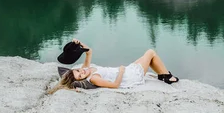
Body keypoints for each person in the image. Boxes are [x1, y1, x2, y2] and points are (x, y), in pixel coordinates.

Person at [48, 39, 179, 94]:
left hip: (126, 71)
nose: (82, 70)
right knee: (150, 53)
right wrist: (121, 71)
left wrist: (77, 44)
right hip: (129, 76)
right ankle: (166, 76)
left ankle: (164, 76)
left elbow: (89, 52)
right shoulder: (93, 78)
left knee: (150, 58)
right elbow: (116, 85)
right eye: (81, 74)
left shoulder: (87, 70)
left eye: (78, 70)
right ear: (82, 80)